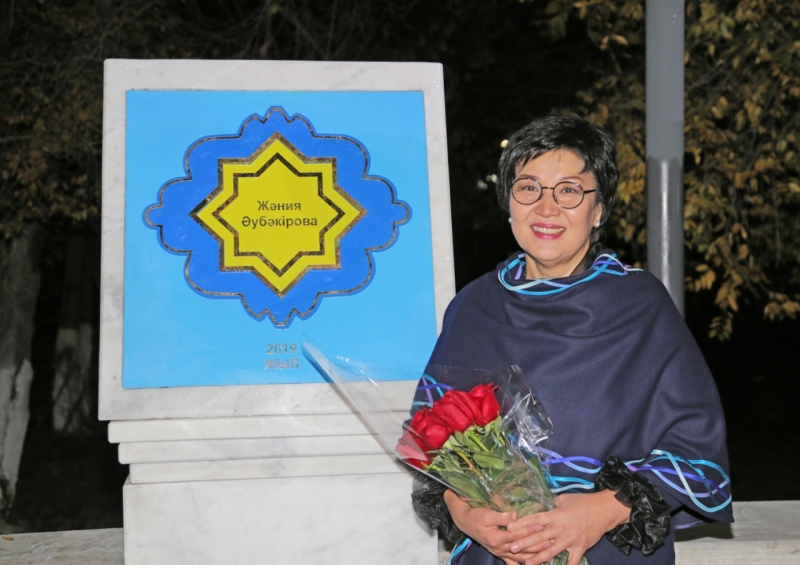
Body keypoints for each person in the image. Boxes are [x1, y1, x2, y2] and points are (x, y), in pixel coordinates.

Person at [410, 115, 733, 565]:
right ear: (508, 202)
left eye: (569, 191)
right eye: (529, 188)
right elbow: (434, 440)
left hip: (607, 550)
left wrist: (598, 511)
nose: (546, 208)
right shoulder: (473, 307)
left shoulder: (640, 306)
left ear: (598, 210)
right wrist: (466, 513)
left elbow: (698, 455)